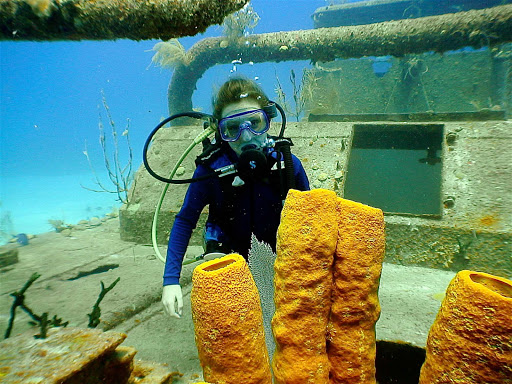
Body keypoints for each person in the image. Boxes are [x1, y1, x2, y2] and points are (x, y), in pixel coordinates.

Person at [162, 77, 310, 318]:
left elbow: (312, 219)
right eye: (233, 128)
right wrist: (171, 280)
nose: (246, 136)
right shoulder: (210, 171)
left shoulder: (287, 166)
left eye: (254, 122)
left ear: (268, 121)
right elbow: (185, 220)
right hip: (228, 252)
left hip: (278, 254)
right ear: (221, 133)